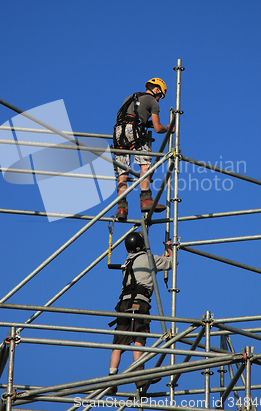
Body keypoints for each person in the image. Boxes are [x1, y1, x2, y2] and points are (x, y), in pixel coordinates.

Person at [108, 232, 172, 393]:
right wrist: (170, 249)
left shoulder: (127, 261)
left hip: (123, 304)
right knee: (138, 340)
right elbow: (171, 263)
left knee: (119, 344)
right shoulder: (149, 258)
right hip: (140, 303)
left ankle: (111, 379)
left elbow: (150, 265)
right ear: (141, 245)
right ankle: (139, 376)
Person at [113, 78, 172, 220]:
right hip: (135, 132)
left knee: (123, 171)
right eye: (160, 96)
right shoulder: (152, 101)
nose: (158, 100)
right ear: (157, 90)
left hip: (119, 132)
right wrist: (169, 128)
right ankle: (146, 200)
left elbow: (133, 115)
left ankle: (121, 208)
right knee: (144, 164)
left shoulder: (131, 97)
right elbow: (158, 128)